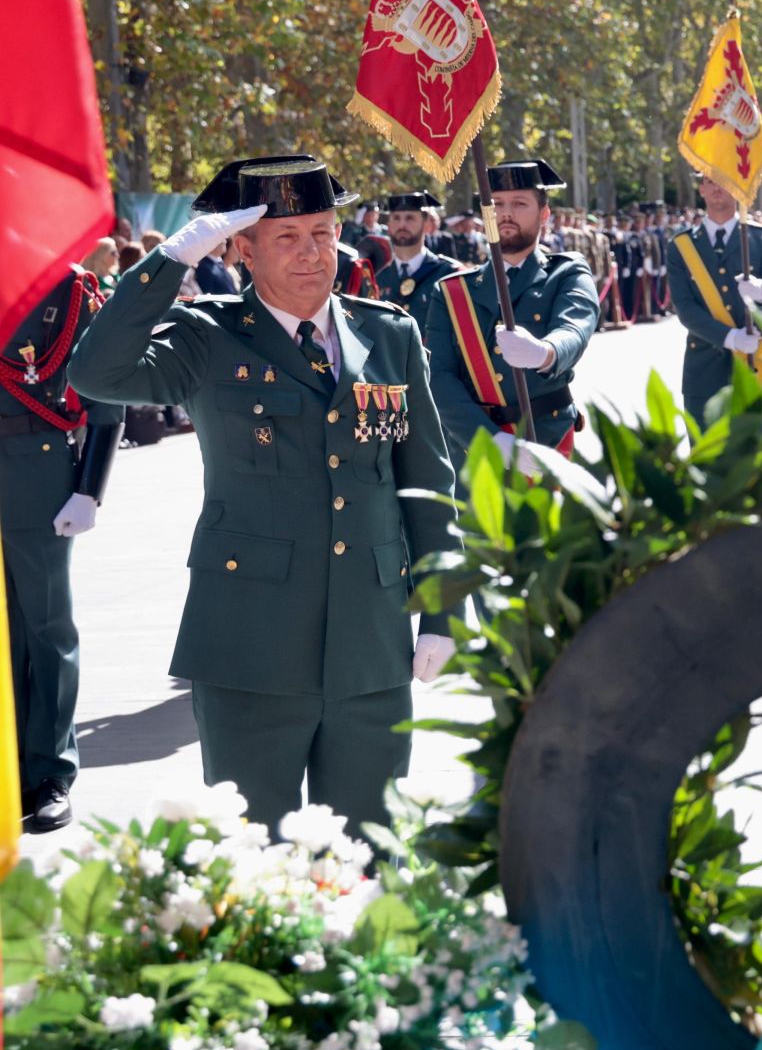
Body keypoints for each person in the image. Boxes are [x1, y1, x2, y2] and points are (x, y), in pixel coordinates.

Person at [68, 157, 460, 838]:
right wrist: (170, 260)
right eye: (288, 237)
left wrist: (444, 613)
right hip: (249, 646)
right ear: (243, 250)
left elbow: (427, 486)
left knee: (371, 849)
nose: (313, 252)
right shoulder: (207, 336)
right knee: (251, 852)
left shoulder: (388, 334)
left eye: (323, 232)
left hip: (371, 644)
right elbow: (96, 372)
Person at [2, 262, 122, 833]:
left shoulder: (66, 288)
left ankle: (49, 771)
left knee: (45, 626)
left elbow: (105, 396)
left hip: (36, 470)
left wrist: (89, 489)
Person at [419, 160, 600, 456]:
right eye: (496, 204)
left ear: (544, 214)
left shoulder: (566, 272)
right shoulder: (452, 291)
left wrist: (545, 353)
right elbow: (439, 376)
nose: (505, 213)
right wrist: (492, 442)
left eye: (519, 203)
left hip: (548, 438)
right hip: (475, 448)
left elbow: (574, 328)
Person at [666, 173, 762, 422]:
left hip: (752, 366)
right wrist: (730, 338)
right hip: (703, 371)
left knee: (753, 446)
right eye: (710, 181)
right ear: (701, 189)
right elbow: (685, 308)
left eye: (724, 180)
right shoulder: (681, 245)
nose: (717, 188)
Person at [374, 191, 462, 321]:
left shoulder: (448, 274)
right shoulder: (377, 278)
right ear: (389, 225)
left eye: (410, 218)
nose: (402, 225)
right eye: (396, 218)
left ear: (426, 223)